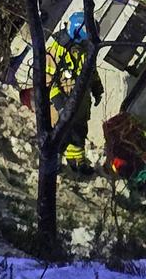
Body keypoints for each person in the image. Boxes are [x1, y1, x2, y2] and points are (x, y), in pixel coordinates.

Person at [44, 11, 103, 175]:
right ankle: (52, 163)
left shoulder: (85, 49)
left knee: (79, 133)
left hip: (81, 103)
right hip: (62, 102)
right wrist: (59, 103)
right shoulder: (55, 52)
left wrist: (97, 88)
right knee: (60, 134)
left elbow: (92, 70)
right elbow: (47, 80)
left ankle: (77, 162)